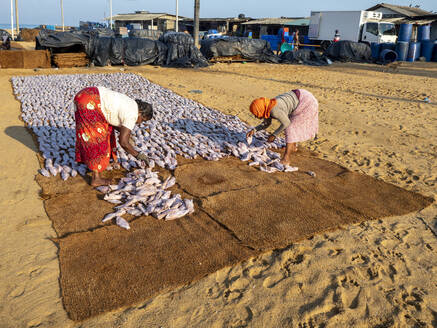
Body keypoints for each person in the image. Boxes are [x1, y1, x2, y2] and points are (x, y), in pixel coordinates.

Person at [74, 86, 153, 186]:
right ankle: (96, 178)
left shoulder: (132, 104)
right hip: (91, 101)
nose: (140, 123)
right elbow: (123, 143)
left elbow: (114, 120)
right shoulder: (132, 115)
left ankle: (87, 160)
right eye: (143, 120)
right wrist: (138, 155)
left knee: (91, 132)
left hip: (86, 94)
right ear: (140, 113)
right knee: (96, 138)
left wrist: (127, 134)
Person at [246, 89, 318, 165]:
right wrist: (254, 130)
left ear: (260, 110)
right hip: (300, 96)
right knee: (291, 124)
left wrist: (274, 135)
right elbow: (266, 123)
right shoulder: (267, 107)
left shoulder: (274, 110)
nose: (255, 116)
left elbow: (286, 123)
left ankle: (286, 158)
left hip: (307, 102)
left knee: (290, 128)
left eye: (256, 113)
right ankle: (293, 147)